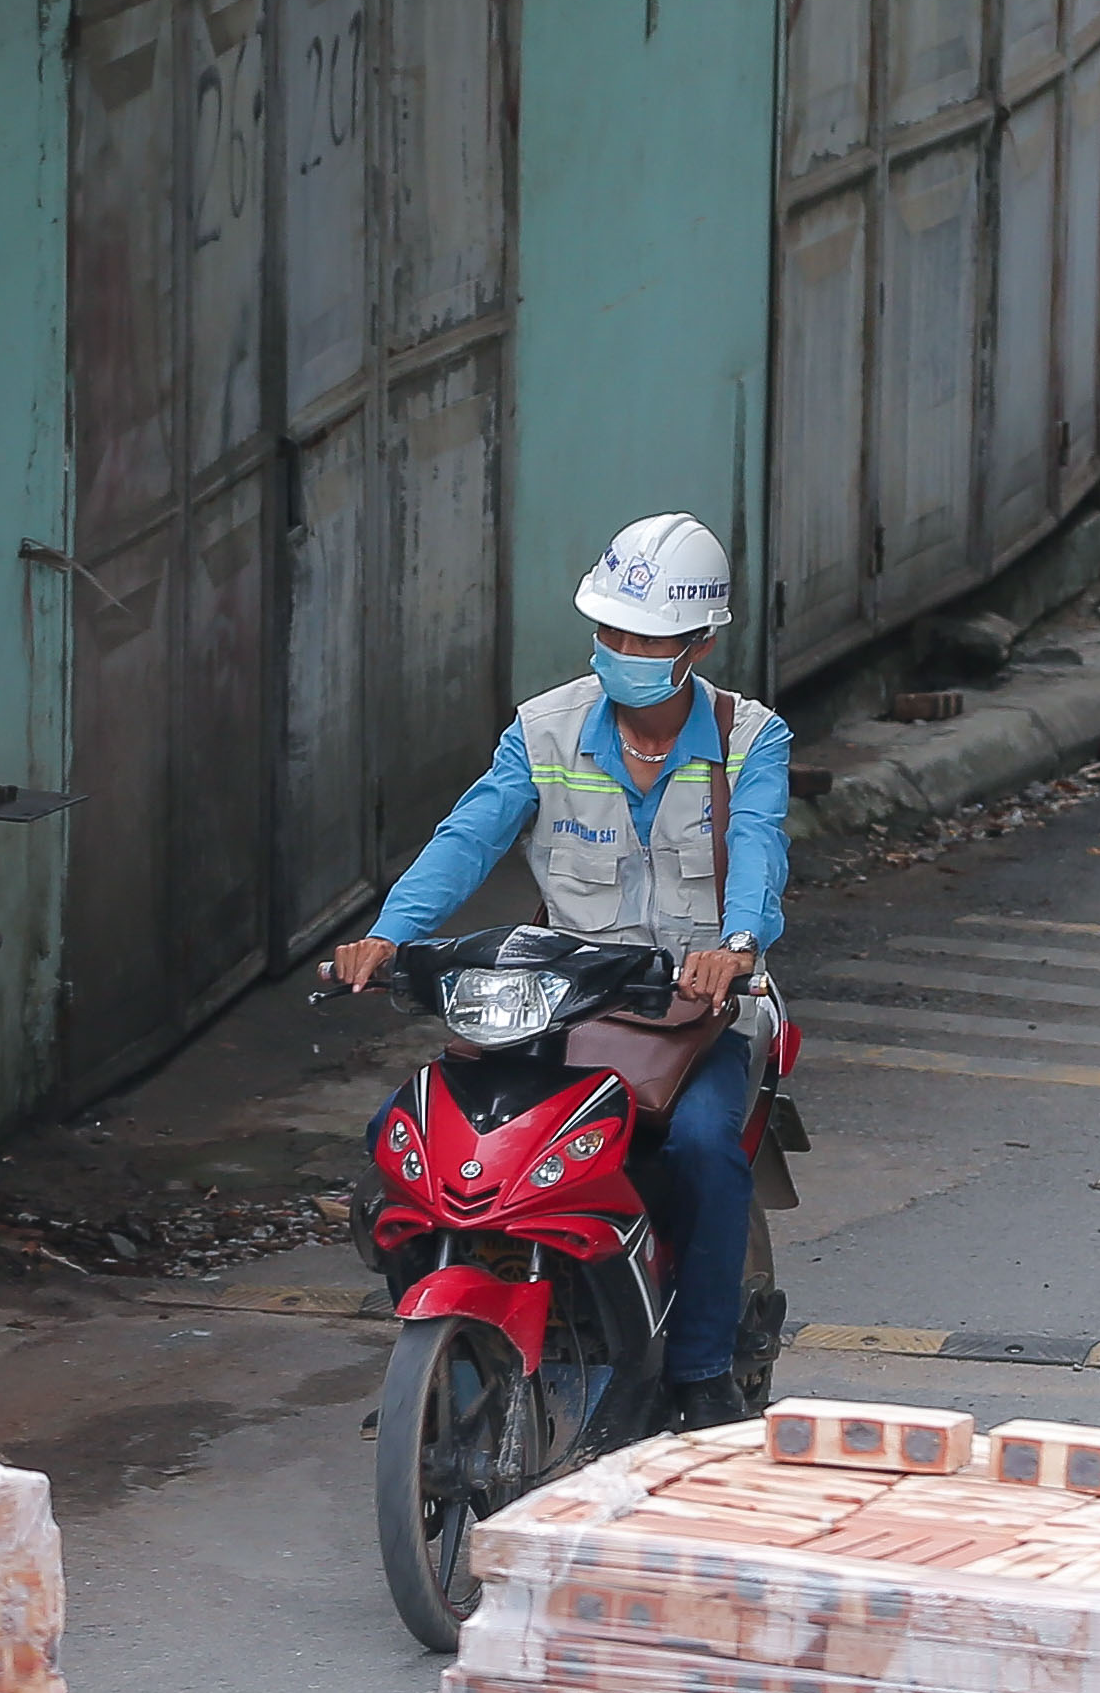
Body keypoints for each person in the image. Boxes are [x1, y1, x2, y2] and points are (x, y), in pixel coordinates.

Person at [325, 514, 790, 1430]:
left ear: (697, 643)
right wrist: (387, 936)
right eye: (611, 631)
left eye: (648, 638)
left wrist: (733, 950)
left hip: (701, 1016)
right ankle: (441, 1346)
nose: (624, 651)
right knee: (405, 1136)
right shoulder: (544, 728)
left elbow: (760, 846)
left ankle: (698, 1371)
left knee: (701, 1150)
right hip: (563, 1003)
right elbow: (469, 837)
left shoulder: (751, 739)